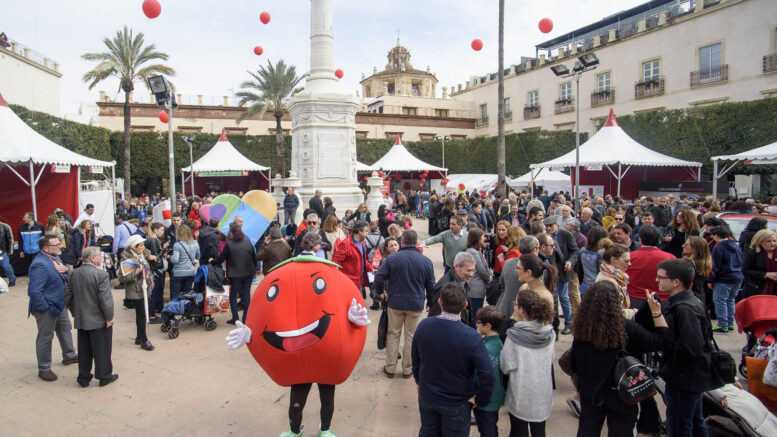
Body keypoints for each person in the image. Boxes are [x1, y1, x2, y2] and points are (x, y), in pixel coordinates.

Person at [571, 281, 668, 437]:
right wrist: (656, 313)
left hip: (591, 390)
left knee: (587, 429)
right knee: (622, 431)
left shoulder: (582, 327)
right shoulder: (626, 327)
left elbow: (575, 358)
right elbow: (661, 342)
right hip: (622, 392)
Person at [411, 282, 495, 437]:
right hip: (457, 402)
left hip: (428, 396)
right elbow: (488, 374)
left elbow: (415, 358)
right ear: (465, 306)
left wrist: (418, 381)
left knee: (428, 431)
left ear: (440, 302)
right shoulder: (472, 337)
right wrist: (481, 400)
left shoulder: (424, 326)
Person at [656, 259, 713, 437]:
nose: (657, 281)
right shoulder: (690, 301)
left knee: (680, 426)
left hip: (684, 378)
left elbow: (692, 348)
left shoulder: (684, 309)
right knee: (695, 422)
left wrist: (662, 335)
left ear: (676, 282)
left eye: (660, 277)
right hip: (692, 377)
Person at [374, 230, 436, 379]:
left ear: (402, 242)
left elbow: (379, 277)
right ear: (416, 243)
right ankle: (408, 369)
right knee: (411, 337)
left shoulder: (393, 258)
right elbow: (431, 284)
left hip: (395, 302)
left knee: (393, 334)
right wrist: (431, 301)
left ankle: (390, 367)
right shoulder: (425, 261)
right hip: (415, 303)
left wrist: (381, 292)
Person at [501, 288, 555, 437]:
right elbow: (551, 359)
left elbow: (506, 366)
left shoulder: (513, 336)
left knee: (518, 431)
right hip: (542, 395)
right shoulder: (549, 333)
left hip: (520, 395)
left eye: (516, 303)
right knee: (539, 431)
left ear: (522, 310)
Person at [64, 246, 118, 387]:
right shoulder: (101, 275)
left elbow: (68, 297)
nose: (102, 258)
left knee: (84, 350)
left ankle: (83, 377)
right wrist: (109, 317)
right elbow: (105, 300)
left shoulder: (74, 273)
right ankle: (104, 376)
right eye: (100, 256)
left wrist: (76, 312)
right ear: (92, 258)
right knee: (102, 349)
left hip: (82, 318)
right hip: (98, 319)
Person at [27, 235, 78, 381]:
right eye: (56, 244)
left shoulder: (55, 259)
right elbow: (34, 291)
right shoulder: (39, 264)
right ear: (45, 248)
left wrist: (66, 271)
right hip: (48, 307)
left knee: (65, 328)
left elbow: (63, 275)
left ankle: (69, 354)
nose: (60, 246)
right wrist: (44, 308)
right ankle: (44, 368)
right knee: (45, 337)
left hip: (59, 304)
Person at [210, 223, 256, 324]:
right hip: (248, 272)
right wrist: (254, 270)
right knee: (246, 295)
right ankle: (245, 318)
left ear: (231, 233)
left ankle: (235, 318)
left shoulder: (230, 244)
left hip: (235, 275)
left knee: (233, 296)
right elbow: (254, 256)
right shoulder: (247, 241)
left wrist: (212, 261)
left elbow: (221, 258)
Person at [118, 235, 155, 351]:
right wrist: (135, 273)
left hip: (144, 288)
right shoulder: (127, 260)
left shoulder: (142, 255)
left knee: (141, 314)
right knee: (142, 315)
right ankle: (144, 340)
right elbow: (122, 279)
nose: (143, 248)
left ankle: (139, 337)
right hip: (136, 290)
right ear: (134, 247)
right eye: (141, 246)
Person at [473, 306, 505, 437]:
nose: (476, 325)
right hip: (497, 396)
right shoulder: (500, 344)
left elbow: (477, 376)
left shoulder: (485, 349)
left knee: (487, 430)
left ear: (488, 326)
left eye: (478, 323)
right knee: (491, 425)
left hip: (484, 399)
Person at [544, 216, 578, 334]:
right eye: (547, 226)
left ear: (557, 225)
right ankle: (553, 323)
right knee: (552, 299)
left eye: (551, 226)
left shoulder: (566, 234)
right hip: (549, 273)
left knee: (564, 298)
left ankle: (569, 323)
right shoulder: (544, 236)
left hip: (563, 271)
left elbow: (575, 251)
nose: (549, 228)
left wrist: (570, 262)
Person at [626, 226, 675, 306]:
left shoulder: (629, 257)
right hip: (662, 301)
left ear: (640, 240)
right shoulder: (670, 258)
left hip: (635, 300)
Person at [709, 226, 743, 333]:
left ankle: (722, 325)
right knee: (731, 300)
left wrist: (711, 280)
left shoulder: (718, 248)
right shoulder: (736, 246)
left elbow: (715, 267)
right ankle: (730, 323)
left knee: (720, 300)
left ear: (717, 236)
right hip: (737, 276)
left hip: (724, 278)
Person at [428, 251, 478, 323]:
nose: (471, 274)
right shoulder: (444, 288)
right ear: (457, 266)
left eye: (473, 271)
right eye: (468, 270)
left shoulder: (463, 281)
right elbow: (436, 316)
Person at [332, 220, 372, 301]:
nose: (367, 233)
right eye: (366, 231)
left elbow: (363, 260)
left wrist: (371, 269)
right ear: (360, 232)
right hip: (349, 283)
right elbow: (334, 262)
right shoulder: (346, 244)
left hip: (359, 281)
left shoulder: (362, 243)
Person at [595, 244, 634, 318]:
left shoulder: (615, 277)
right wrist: (633, 312)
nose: (629, 264)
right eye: (626, 261)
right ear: (613, 260)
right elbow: (612, 312)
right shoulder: (608, 282)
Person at [465, 228, 493, 327]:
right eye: (482, 237)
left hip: (476, 288)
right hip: (476, 289)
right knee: (475, 315)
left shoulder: (475, 251)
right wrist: (489, 277)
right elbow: (481, 269)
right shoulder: (474, 253)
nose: (484, 238)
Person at [169, 224, 200, 301]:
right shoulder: (195, 243)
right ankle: (185, 310)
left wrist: (170, 257)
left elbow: (175, 260)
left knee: (175, 294)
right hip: (190, 272)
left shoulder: (177, 245)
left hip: (178, 272)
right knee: (187, 294)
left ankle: (174, 309)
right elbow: (198, 257)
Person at [742, 229, 777, 296]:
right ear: (760, 242)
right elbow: (745, 270)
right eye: (768, 241)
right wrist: (765, 274)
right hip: (759, 288)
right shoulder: (753, 253)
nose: (772, 243)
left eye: (774, 241)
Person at [682, 236, 713, 304]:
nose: (683, 246)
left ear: (695, 248)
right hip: (699, 296)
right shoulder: (704, 263)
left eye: (686, 244)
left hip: (689, 297)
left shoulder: (690, 263)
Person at [145, 223, 167, 322]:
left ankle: (154, 312)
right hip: (156, 270)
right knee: (155, 293)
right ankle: (152, 315)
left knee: (156, 293)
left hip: (156, 269)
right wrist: (164, 249)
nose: (162, 232)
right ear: (155, 230)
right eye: (161, 230)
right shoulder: (153, 241)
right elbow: (156, 257)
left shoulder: (152, 240)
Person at [0, 217, 15, 287]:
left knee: (6, 266)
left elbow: (10, 239)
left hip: (2, 252)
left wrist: (10, 250)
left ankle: (12, 280)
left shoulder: (5, 226)